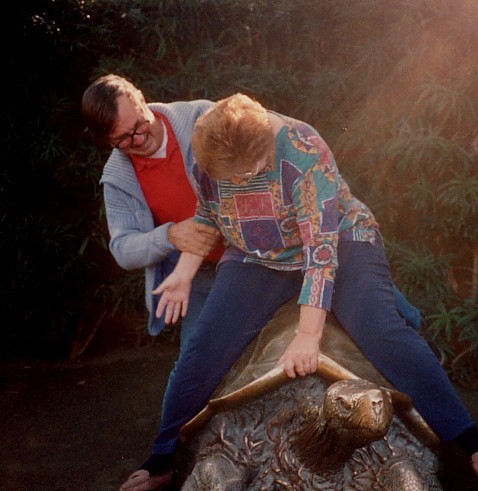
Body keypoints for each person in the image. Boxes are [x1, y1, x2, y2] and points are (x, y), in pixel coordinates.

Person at [138, 93, 478, 489]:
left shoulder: (303, 149)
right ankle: (161, 460)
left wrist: (308, 335)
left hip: (340, 241)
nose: (241, 182)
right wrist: (183, 271)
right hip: (258, 256)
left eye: (249, 174)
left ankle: (469, 441)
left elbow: (321, 253)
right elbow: (208, 216)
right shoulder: (205, 155)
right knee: (202, 348)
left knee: (382, 331)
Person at [81, 74, 225, 489]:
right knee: (194, 360)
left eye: (139, 124)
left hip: (250, 254)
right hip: (197, 272)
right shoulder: (119, 176)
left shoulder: (200, 117)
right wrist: (169, 236)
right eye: (123, 139)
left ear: (143, 98)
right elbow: (123, 248)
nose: (138, 138)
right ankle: (165, 463)